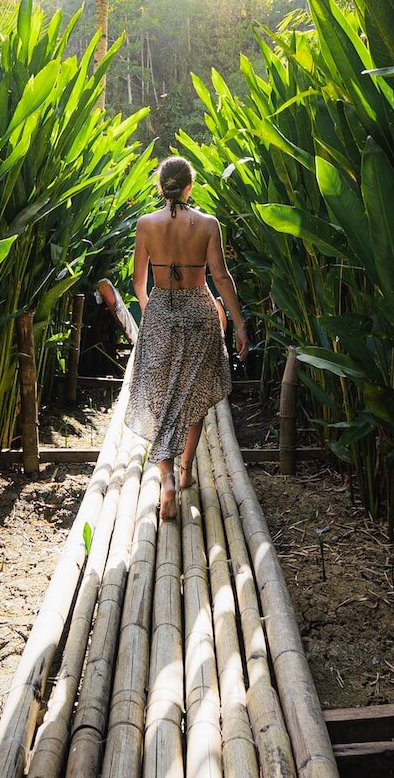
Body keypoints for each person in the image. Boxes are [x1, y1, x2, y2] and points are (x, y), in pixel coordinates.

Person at [123, 156, 249, 520]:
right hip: (199, 311)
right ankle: (185, 469)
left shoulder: (146, 224)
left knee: (161, 395)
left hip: (162, 308)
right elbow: (221, 278)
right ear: (189, 187)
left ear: (160, 187)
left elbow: (137, 282)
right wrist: (239, 324)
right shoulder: (208, 224)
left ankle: (165, 479)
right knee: (195, 390)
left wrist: (152, 313)